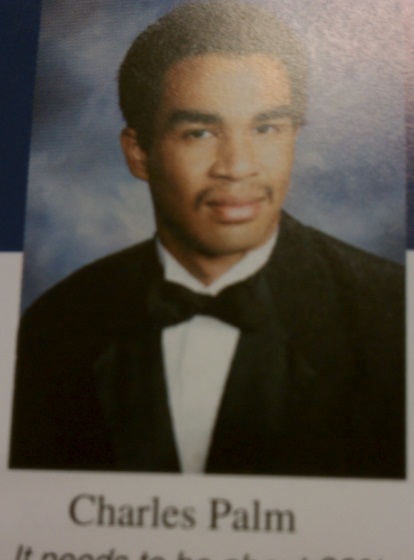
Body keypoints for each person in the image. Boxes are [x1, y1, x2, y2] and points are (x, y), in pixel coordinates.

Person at [9, 1, 404, 477]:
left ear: (294, 136)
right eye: (199, 133)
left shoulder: (394, 318)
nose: (237, 167)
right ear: (138, 153)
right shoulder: (56, 327)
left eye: (266, 128)